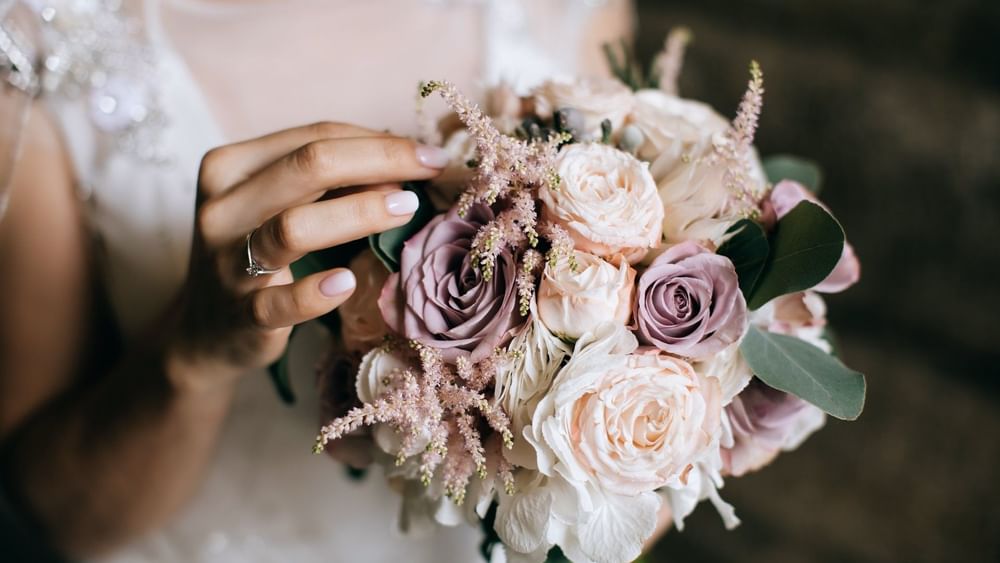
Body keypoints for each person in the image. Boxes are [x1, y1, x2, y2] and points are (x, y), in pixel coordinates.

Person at [0, 0, 640, 561]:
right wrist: (192, 355)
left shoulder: (570, 9)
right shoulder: (44, 40)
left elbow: (632, 491)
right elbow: (55, 516)